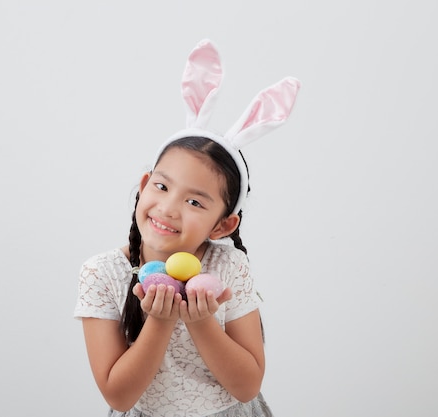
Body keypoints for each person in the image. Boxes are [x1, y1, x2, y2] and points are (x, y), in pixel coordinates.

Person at [74, 39, 300, 417]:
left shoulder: (228, 268)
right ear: (144, 184)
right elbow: (118, 396)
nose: (169, 208)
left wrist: (202, 323)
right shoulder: (101, 273)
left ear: (223, 225)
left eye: (195, 202)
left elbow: (246, 387)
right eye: (162, 186)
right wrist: (161, 321)